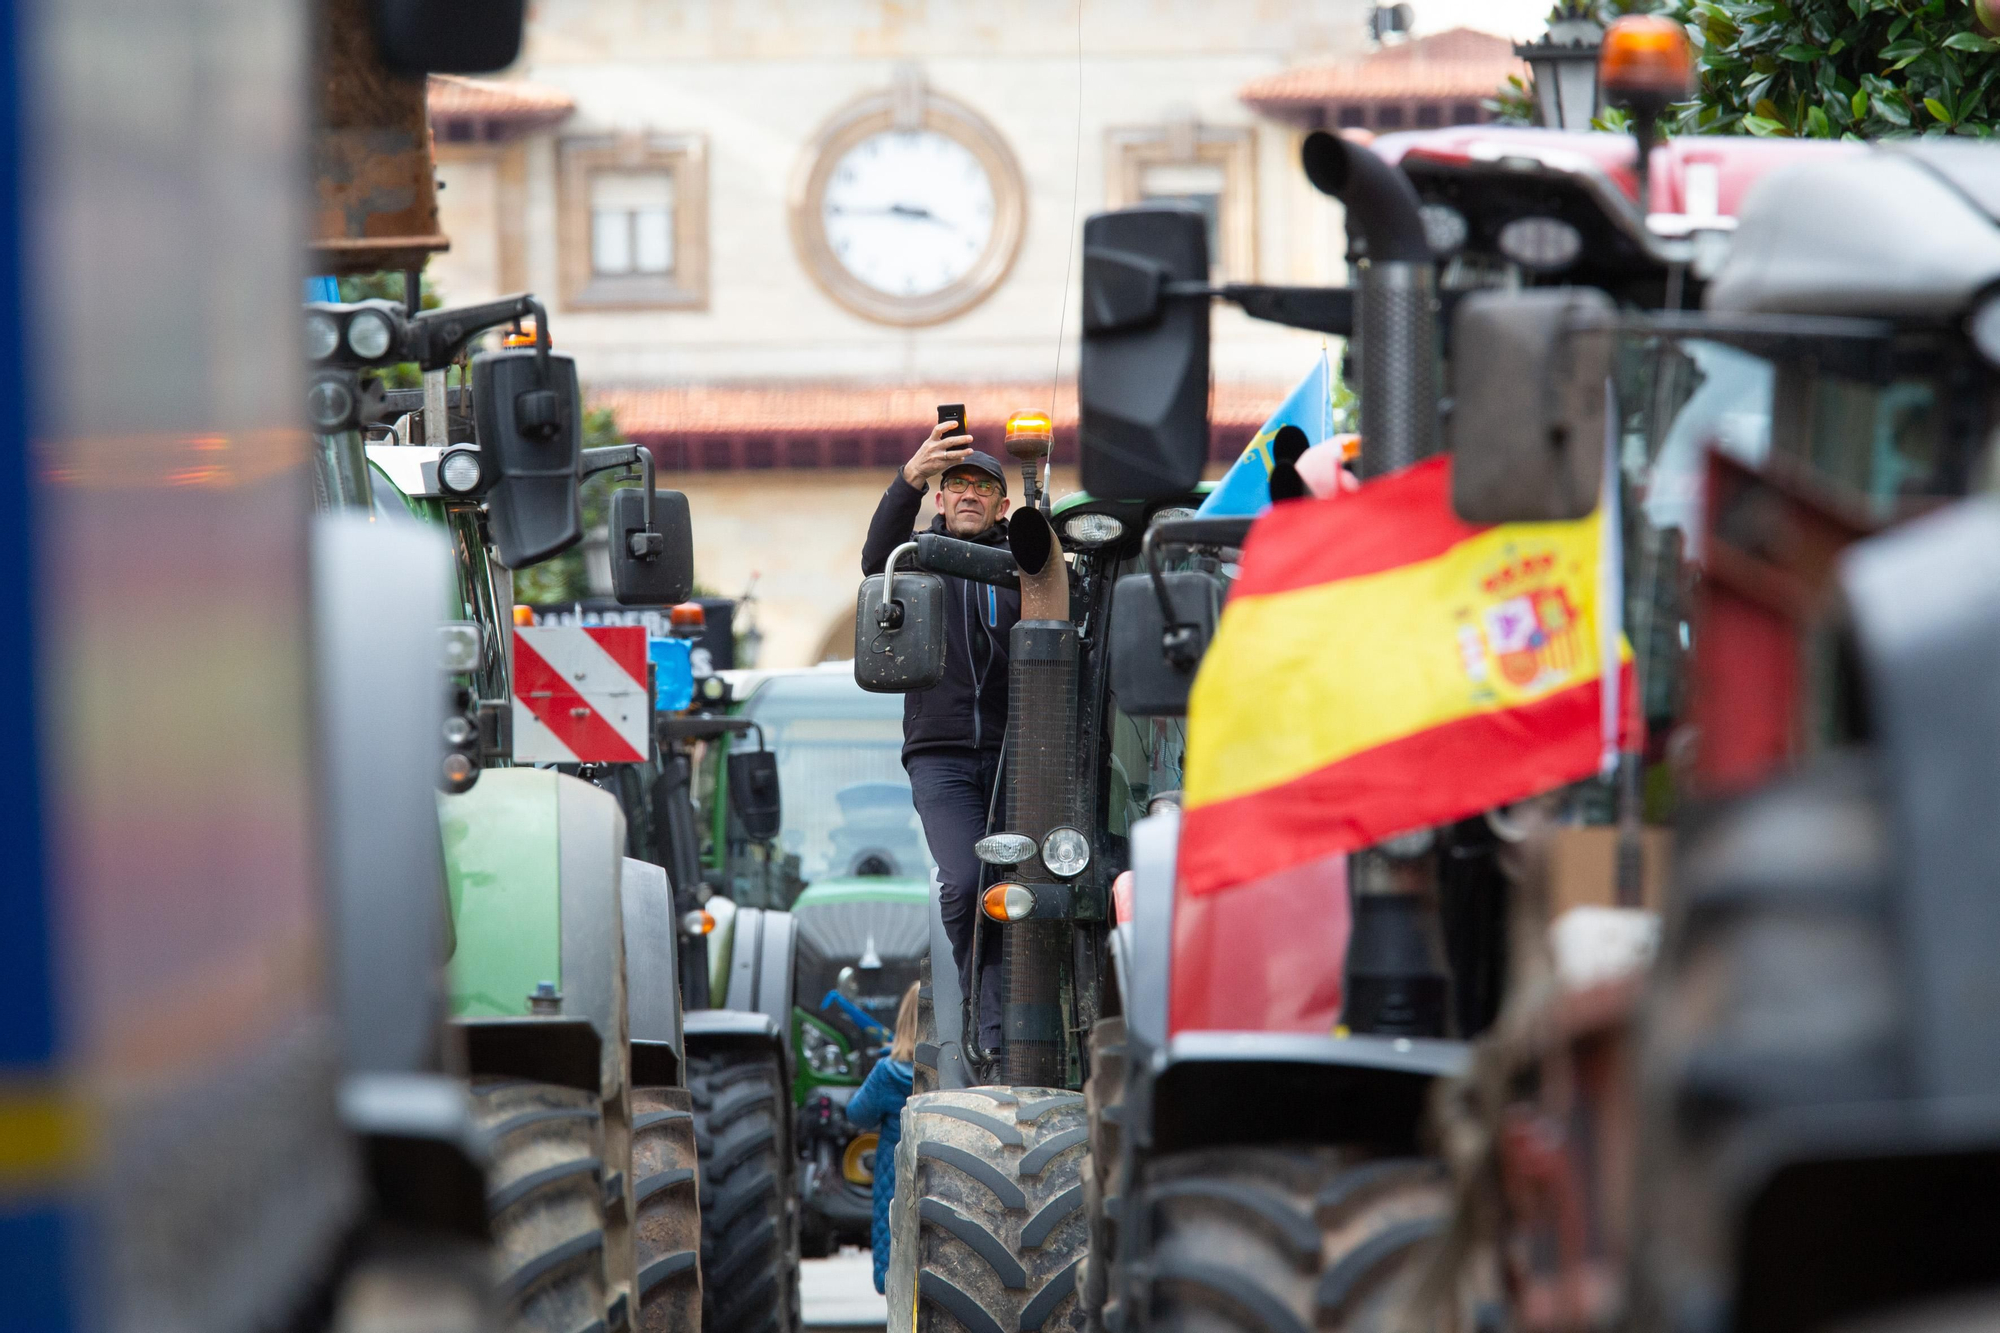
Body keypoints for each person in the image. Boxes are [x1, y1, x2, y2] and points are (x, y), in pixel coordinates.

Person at [861, 416, 1018, 1055]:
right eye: (957, 486)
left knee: (1021, 890)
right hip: (942, 755)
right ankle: (984, 1017)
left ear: (1002, 504)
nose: (969, 495)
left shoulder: (1027, 567)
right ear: (941, 498)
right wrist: (907, 479)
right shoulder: (914, 565)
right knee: (961, 882)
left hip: (1019, 753)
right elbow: (876, 560)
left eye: (983, 487)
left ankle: (1022, 1022)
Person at [846, 983, 920, 1295]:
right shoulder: (951, 1073)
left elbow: (857, 1113)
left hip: (895, 1177)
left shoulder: (887, 1073)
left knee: (896, 1248)